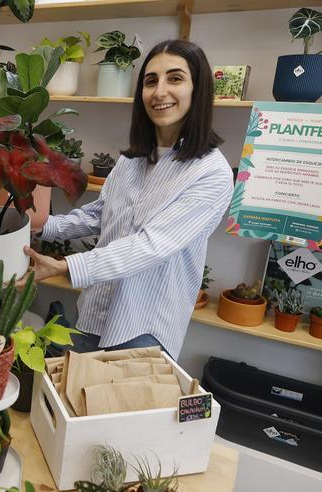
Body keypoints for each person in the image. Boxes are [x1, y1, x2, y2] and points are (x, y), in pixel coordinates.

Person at [24, 39, 233, 359]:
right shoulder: (132, 159)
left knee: (117, 406)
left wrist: (65, 265)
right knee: (77, 400)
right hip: (95, 309)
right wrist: (42, 226)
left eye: (175, 78)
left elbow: (151, 245)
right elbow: (101, 214)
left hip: (144, 326)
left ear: (198, 89)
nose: (160, 91)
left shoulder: (211, 173)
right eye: (151, 81)